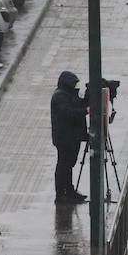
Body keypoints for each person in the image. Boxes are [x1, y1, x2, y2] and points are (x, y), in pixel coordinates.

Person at [50, 70, 89, 205]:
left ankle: (69, 191)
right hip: (65, 138)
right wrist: (86, 110)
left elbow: (77, 105)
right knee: (63, 166)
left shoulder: (67, 94)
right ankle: (61, 194)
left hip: (71, 137)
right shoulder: (60, 97)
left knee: (68, 165)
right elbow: (69, 113)